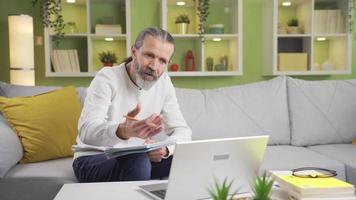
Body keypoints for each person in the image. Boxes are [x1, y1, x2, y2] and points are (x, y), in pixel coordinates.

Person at [72, 27, 192, 182]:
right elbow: (87, 132)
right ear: (134, 51)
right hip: (94, 159)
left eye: (162, 61)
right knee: (138, 162)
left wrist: (164, 149)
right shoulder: (107, 78)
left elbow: (182, 130)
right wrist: (123, 131)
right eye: (149, 55)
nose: (154, 66)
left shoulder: (164, 82)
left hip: (138, 157)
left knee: (190, 158)